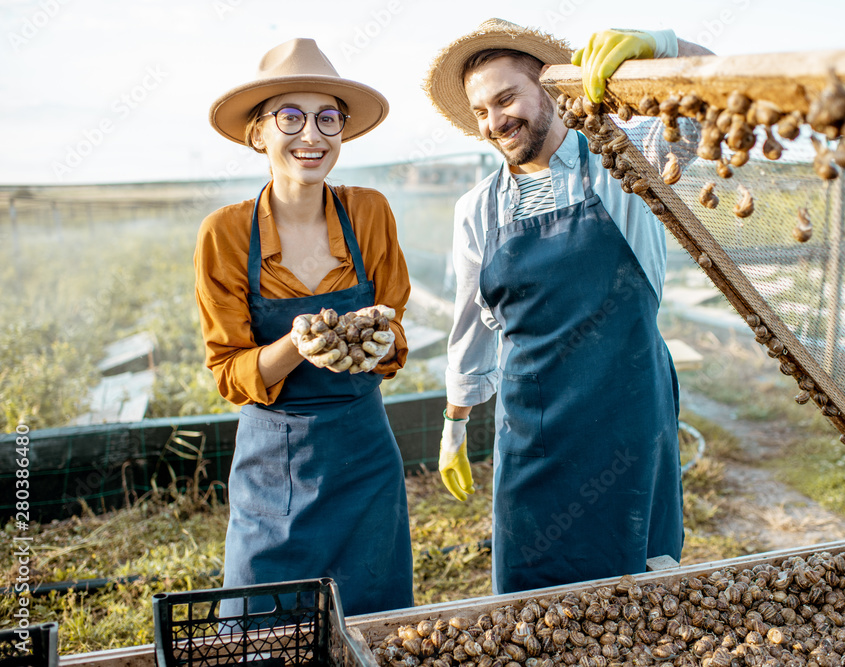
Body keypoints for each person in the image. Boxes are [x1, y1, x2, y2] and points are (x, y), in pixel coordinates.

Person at [424, 19, 711, 594]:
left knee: (639, 591)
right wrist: (456, 418)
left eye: (507, 98)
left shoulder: (624, 162)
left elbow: (712, 96)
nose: (495, 121)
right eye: (481, 111)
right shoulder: (477, 208)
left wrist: (665, 46)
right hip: (534, 428)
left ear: (551, 91)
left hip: (629, 415)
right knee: (535, 595)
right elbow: (470, 320)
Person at [195, 38, 412, 616]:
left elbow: (395, 335)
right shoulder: (226, 233)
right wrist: (297, 344)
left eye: (327, 117)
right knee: (261, 626)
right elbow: (229, 371)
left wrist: (374, 341)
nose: (312, 135)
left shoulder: (368, 212)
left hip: (365, 455)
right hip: (275, 466)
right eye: (290, 116)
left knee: (374, 622)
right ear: (258, 133)